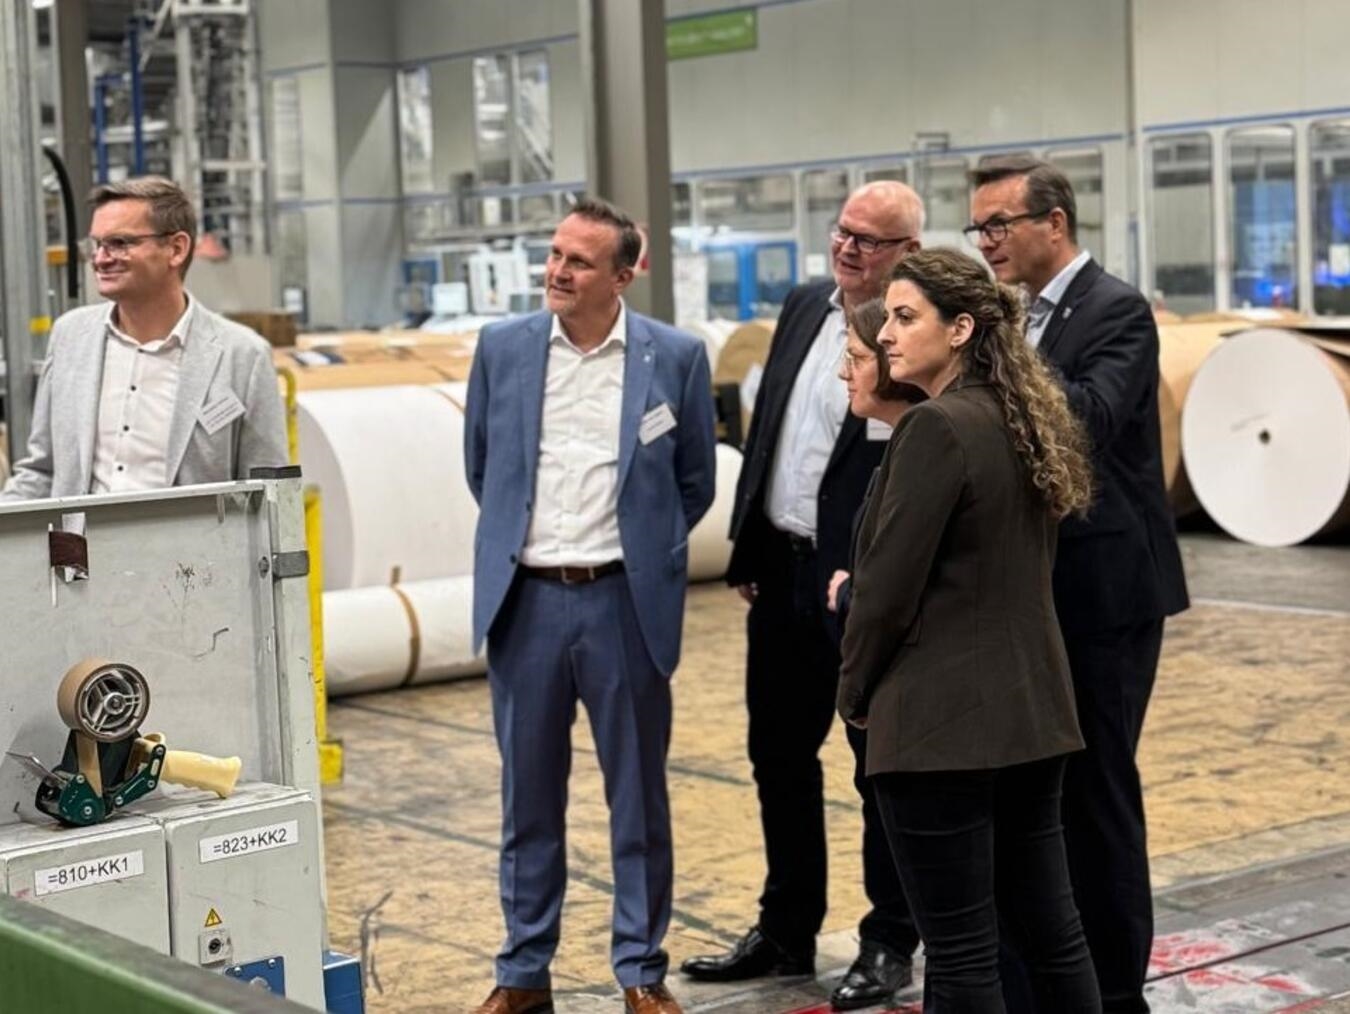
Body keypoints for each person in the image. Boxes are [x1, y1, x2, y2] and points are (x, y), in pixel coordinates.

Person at [464, 197, 717, 1014]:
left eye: (578, 261)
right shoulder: (503, 349)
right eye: (554, 254)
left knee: (638, 798)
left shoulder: (674, 356)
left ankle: (641, 970)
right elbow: (483, 467)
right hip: (528, 602)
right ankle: (522, 972)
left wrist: (641, 552)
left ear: (624, 273)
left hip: (622, 605)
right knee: (526, 801)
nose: (557, 271)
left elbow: (695, 482)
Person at [838, 248, 1102, 1012]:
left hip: (939, 731)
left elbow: (885, 593)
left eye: (903, 316)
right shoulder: (1017, 418)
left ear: (959, 329)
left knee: (960, 952)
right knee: (1052, 935)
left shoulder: (936, 428)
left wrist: (854, 691)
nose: (886, 334)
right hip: (1033, 716)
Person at [683, 182, 923, 1012]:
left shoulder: (910, 333)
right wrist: (746, 544)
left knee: (876, 770)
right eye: (843, 232)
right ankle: (786, 926)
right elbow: (769, 434)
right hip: (781, 572)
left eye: (871, 240)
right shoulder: (800, 306)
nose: (849, 249)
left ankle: (890, 939)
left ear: (907, 255)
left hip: (860, 585)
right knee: (777, 758)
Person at [967, 156, 1188, 1013]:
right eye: (978, 228)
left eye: (999, 225)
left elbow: (1088, 420)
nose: (986, 241)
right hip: (1036, 595)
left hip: (1106, 598)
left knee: (1098, 795)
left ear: (1052, 224)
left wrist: (987, 364)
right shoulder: (1018, 318)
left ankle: (1117, 986)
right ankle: (1050, 975)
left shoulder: (1115, 309)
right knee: (1037, 795)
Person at [0, 177, 287, 502]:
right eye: (97, 245)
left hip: (189, 552)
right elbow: (42, 472)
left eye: (120, 243)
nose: (101, 258)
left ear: (176, 249)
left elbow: (270, 491)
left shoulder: (242, 356)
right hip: (82, 551)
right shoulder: (70, 338)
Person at [824, 297, 925, 620]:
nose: (844, 373)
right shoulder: (908, 443)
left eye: (856, 358)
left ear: (891, 359)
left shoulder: (924, 457)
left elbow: (898, 593)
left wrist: (846, 594)